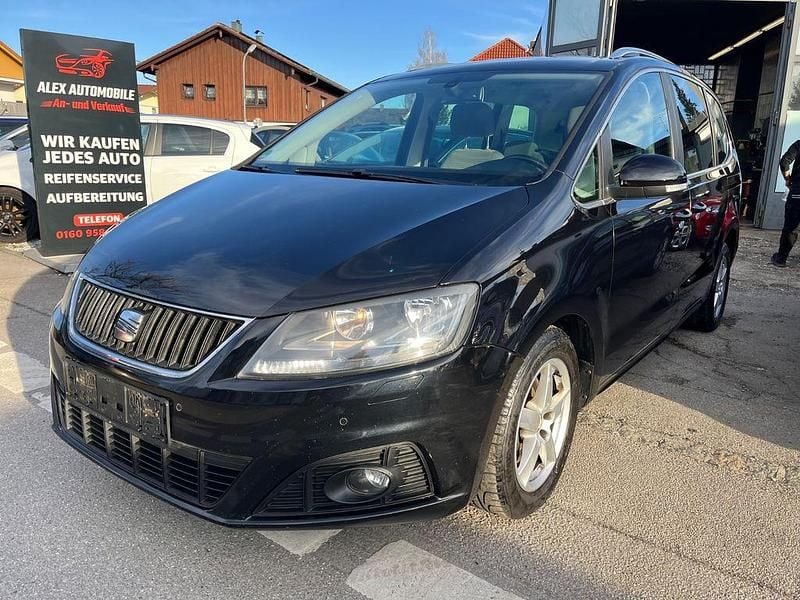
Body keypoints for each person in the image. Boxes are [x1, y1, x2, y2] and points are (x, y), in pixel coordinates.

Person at [772, 140, 800, 267]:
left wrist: (788, 179)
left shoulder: (799, 144)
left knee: (791, 227)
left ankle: (781, 259)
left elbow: (784, 162)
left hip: (797, 193)